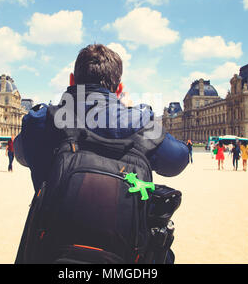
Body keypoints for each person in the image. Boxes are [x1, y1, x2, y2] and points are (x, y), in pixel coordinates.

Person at [14, 44, 189, 264]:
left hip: (51, 252)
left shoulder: (44, 121)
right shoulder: (142, 123)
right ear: (119, 88)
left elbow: (20, 153)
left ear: (71, 81)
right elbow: (179, 160)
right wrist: (131, 111)